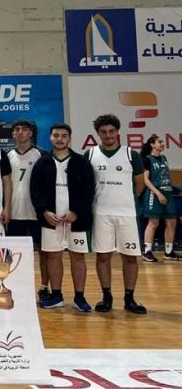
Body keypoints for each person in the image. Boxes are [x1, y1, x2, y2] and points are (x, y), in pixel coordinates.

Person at [30, 123, 95, 311]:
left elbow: (88, 190)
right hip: (50, 220)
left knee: (77, 256)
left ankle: (80, 297)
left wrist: (76, 211)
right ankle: (56, 295)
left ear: (69, 138)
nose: (60, 139)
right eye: (56, 135)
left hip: (77, 220)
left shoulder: (81, 162)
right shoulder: (42, 163)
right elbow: (35, 190)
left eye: (64, 136)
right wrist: (44, 211)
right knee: (53, 256)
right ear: (50, 137)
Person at [87, 114, 146, 314]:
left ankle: (129, 298)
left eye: (111, 131)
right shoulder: (90, 154)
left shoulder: (131, 154)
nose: (108, 135)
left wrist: (125, 201)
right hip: (101, 213)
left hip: (127, 214)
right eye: (103, 132)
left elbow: (139, 185)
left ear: (118, 132)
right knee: (103, 256)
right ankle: (107, 297)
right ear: (98, 133)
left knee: (130, 257)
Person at [6, 120, 48, 298]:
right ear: (13, 134)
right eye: (17, 129)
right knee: (13, 253)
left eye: (24, 129)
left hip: (36, 213)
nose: (20, 132)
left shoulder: (41, 154)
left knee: (44, 252)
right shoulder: (7, 156)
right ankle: (16, 286)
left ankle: (44, 286)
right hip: (14, 213)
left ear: (30, 133)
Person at [140, 135, 179, 262]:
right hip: (154, 193)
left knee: (172, 222)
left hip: (167, 192)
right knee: (153, 222)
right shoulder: (147, 159)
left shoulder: (164, 158)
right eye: (159, 142)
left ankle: (168, 252)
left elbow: (166, 175)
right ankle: (147, 251)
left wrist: (171, 187)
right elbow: (145, 180)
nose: (162, 143)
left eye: (162, 141)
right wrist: (158, 193)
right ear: (152, 145)